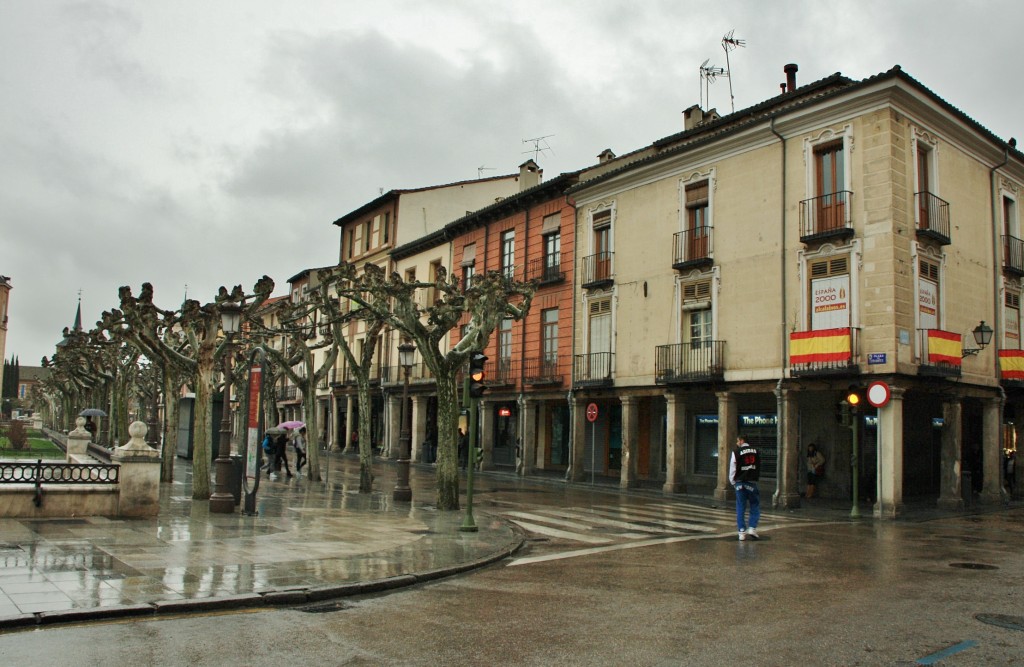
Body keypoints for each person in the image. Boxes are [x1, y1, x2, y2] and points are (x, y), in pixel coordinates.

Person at [730, 434, 760, 541]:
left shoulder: (736, 452)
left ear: (742, 441)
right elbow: (758, 466)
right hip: (751, 482)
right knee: (754, 505)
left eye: (738, 441)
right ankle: (752, 527)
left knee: (740, 507)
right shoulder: (756, 451)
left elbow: (732, 469)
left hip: (739, 482)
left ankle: (741, 531)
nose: (737, 443)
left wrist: (733, 482)